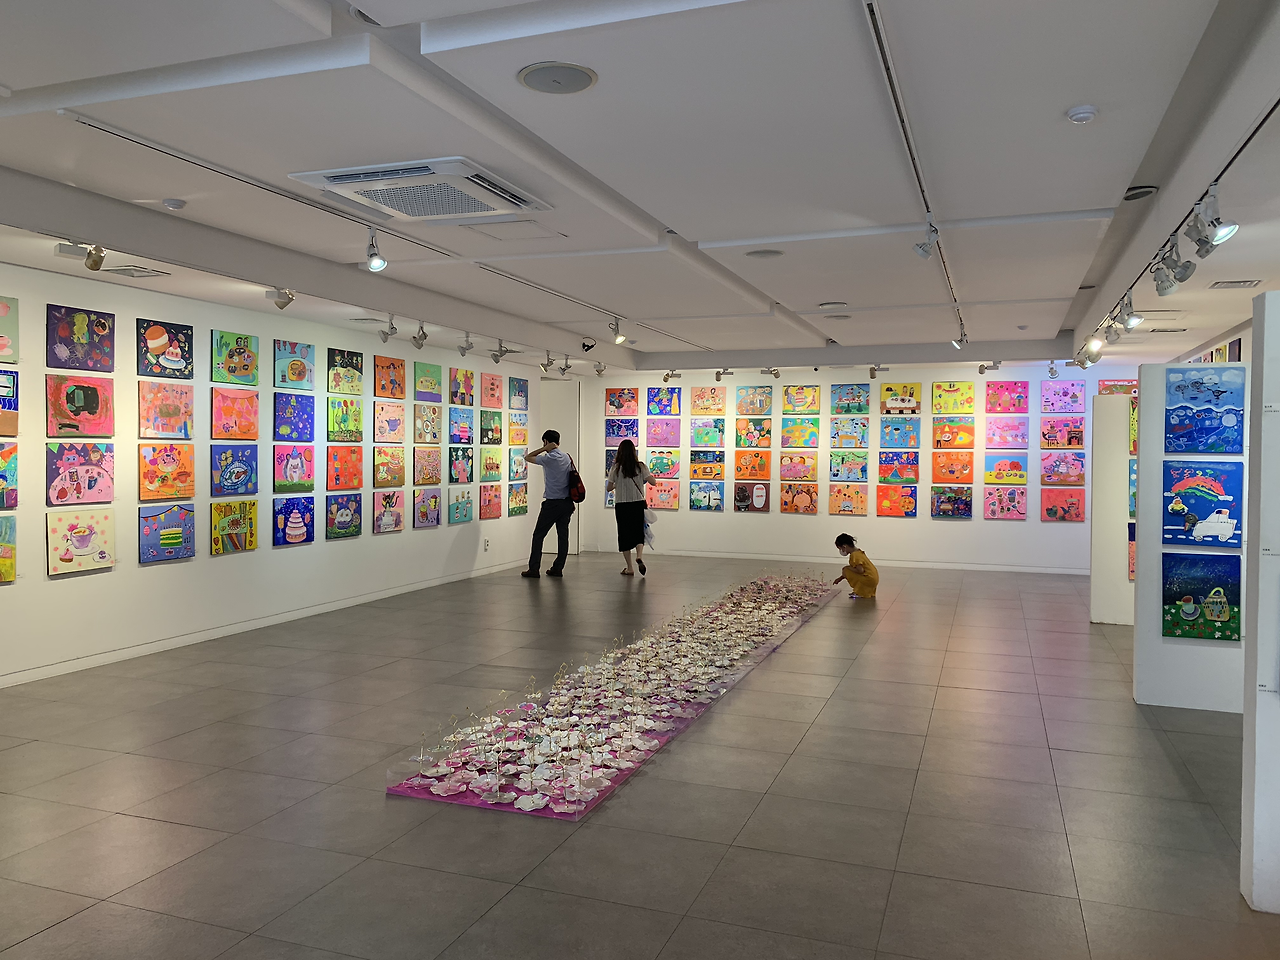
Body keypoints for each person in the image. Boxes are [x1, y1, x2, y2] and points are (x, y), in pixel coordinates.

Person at [522, 429, 575, 578]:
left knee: (538, 535)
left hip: (552, 504)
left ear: (546, 441)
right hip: (566, 503)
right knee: (563, 537)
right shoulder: (566, 457)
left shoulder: (548, 458)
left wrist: (543, 449)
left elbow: (528, 457)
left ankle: (534, 568)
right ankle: (558, 568)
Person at [606, 439, 657, 576]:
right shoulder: (641, 466)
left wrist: (618, 484)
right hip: (637, 504)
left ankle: (629, 568)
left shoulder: (616, 468)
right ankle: (639, 556)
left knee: (624, 535)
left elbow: (609, 488)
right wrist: (645, 479)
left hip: (622, 505)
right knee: (639, 532)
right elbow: (653, 482)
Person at [833, 533, 878, 599]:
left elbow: (860, 571)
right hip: (873, 579)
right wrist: (840, 578)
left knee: (846, 569)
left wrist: (847, 567)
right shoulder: (858, 552)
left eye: (840, 549)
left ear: (844, 546)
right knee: (847, 569)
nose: (841, 551)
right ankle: (863, 591)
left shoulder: (854, 555)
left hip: (869, 580)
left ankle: (860, 592)